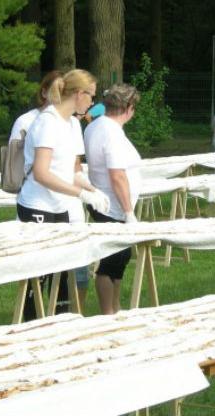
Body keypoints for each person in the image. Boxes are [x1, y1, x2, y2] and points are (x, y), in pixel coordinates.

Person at [16, 69, 110, 320]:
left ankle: (59, 321)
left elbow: (73, 170)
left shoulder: (73, 124)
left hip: (60, 207)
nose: (92, 102)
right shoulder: (47, 122)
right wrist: (81, 194)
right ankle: (30, 325)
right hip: (37, 205)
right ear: (79, 94)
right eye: (91, 95)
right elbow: (42, 173)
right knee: (38, 273)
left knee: (63, 269)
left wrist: (92, 189)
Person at [84, 83, 142, 315]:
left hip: (106, 201)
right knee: (111, 261)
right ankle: (108, 312)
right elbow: (117, 175)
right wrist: (129, 213)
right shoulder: (111, 132)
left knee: (121, 257)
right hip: (112, 205)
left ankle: (115, 308)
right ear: (129, 108)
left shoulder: (97, 126)